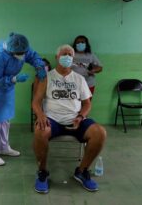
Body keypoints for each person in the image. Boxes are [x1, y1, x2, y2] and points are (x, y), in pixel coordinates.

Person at [32, 44, 107, 193]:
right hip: (52, 120)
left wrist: (81, 116)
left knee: (100, 133)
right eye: (64, 54)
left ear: (73, 59)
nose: (67, 57)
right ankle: (42, 172)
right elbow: (35, 102)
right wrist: (40, 114)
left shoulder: (79, 79)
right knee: (40, 130)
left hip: (76, 120)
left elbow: (87, 104)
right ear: (57, 57)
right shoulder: (46, 77)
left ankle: (82, 170)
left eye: (70, 55)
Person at [0, 32, 47, 166]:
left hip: (7, 86)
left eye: (24, 52)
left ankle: (4, 147)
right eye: (21, 53)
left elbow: (32, 55)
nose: (23, 55)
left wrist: (39, 65)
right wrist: (14, 79)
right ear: (11, 51)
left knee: (5, 118)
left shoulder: (21, 49)